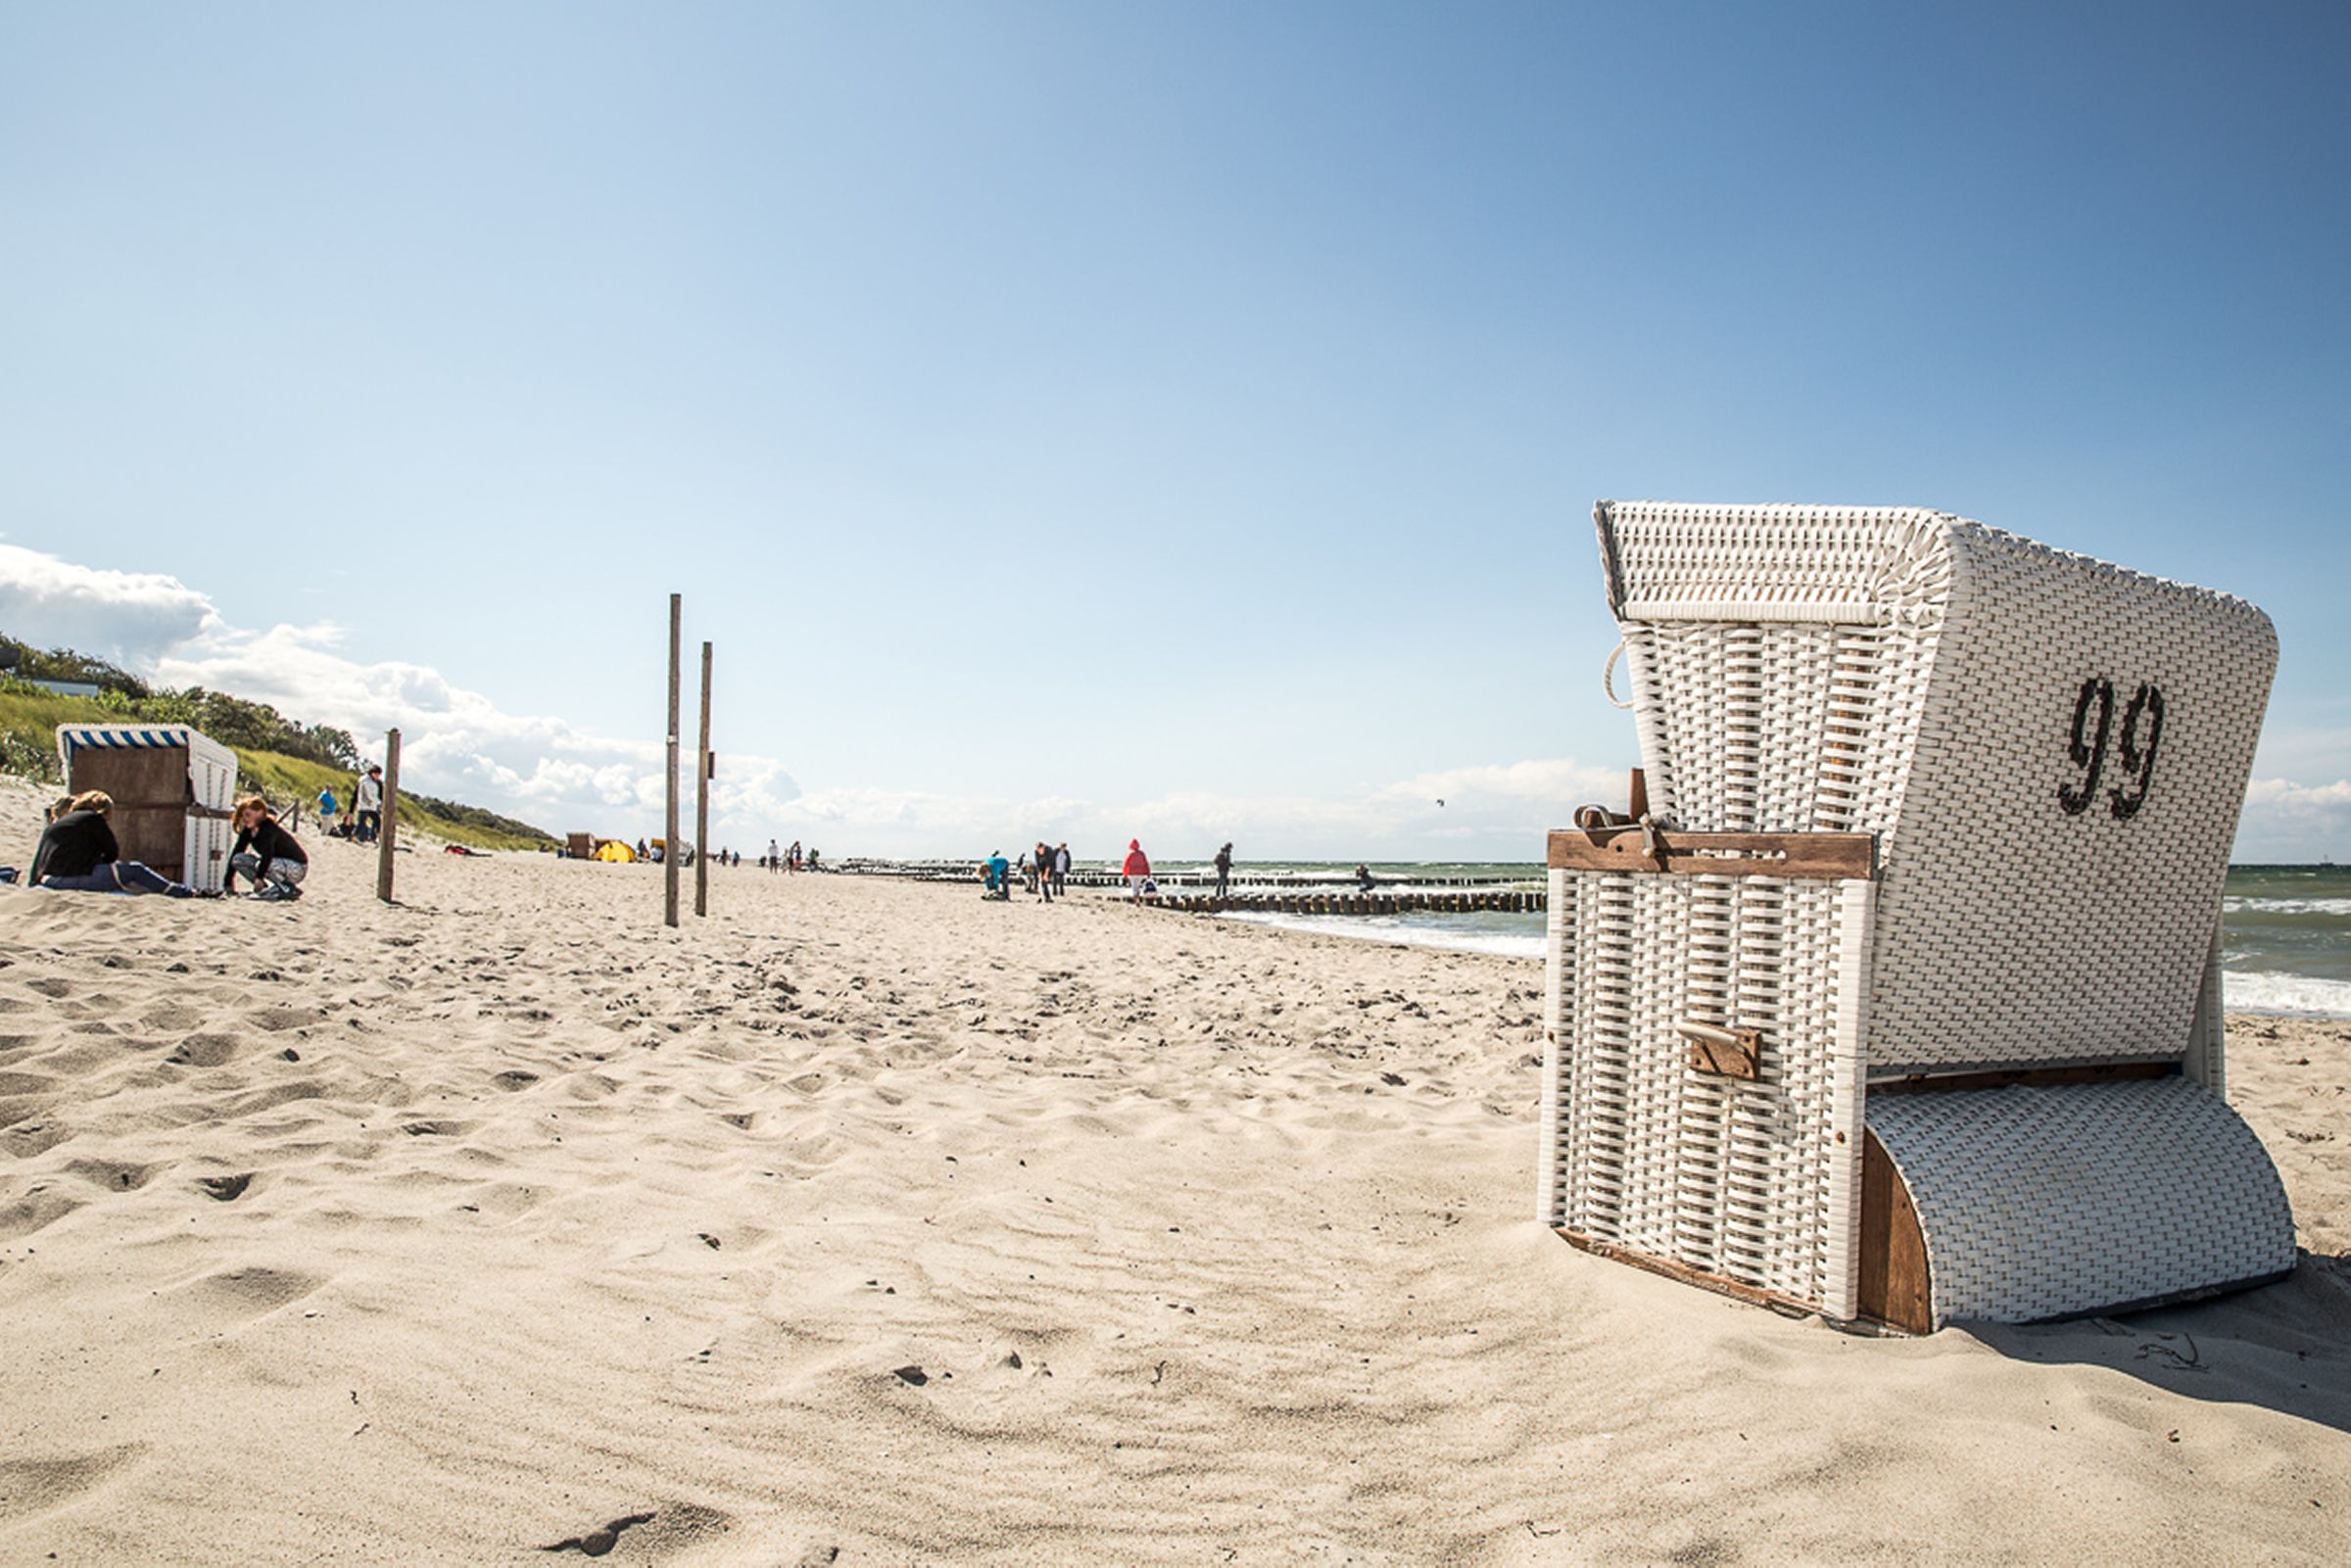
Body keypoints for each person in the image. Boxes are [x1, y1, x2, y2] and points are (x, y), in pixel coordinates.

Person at [30, 790, 195, 896]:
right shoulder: (93, 819)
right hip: (73, 879)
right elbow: (112, 852)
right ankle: (181, 892)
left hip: (49, 879)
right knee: (136, 870)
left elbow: (40, 859)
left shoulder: (58, 824)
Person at [225, 794, 310, 900]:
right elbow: (237, 851)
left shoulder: (269, 828)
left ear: (259, 813)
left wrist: (259, 877)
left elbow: (268, 853)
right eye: (243, 816)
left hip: (297, 866)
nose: (245, 819)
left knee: (262, 864)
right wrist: (228, 881)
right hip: (276, 863)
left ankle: (285, 888)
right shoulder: (248, 831)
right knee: (238, 859)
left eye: (248, 815)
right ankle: (264, 889)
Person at [355, 765, 384, 843]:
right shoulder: (366, 781)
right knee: (361, 823)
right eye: (377, 774)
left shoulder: (371, 781)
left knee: (377, 820)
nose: (378, 776)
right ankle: (354, 836)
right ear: (373, 773)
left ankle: (378, 836)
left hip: (370, 806)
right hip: (365, 805)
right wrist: (379, 802)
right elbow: (369, 795)